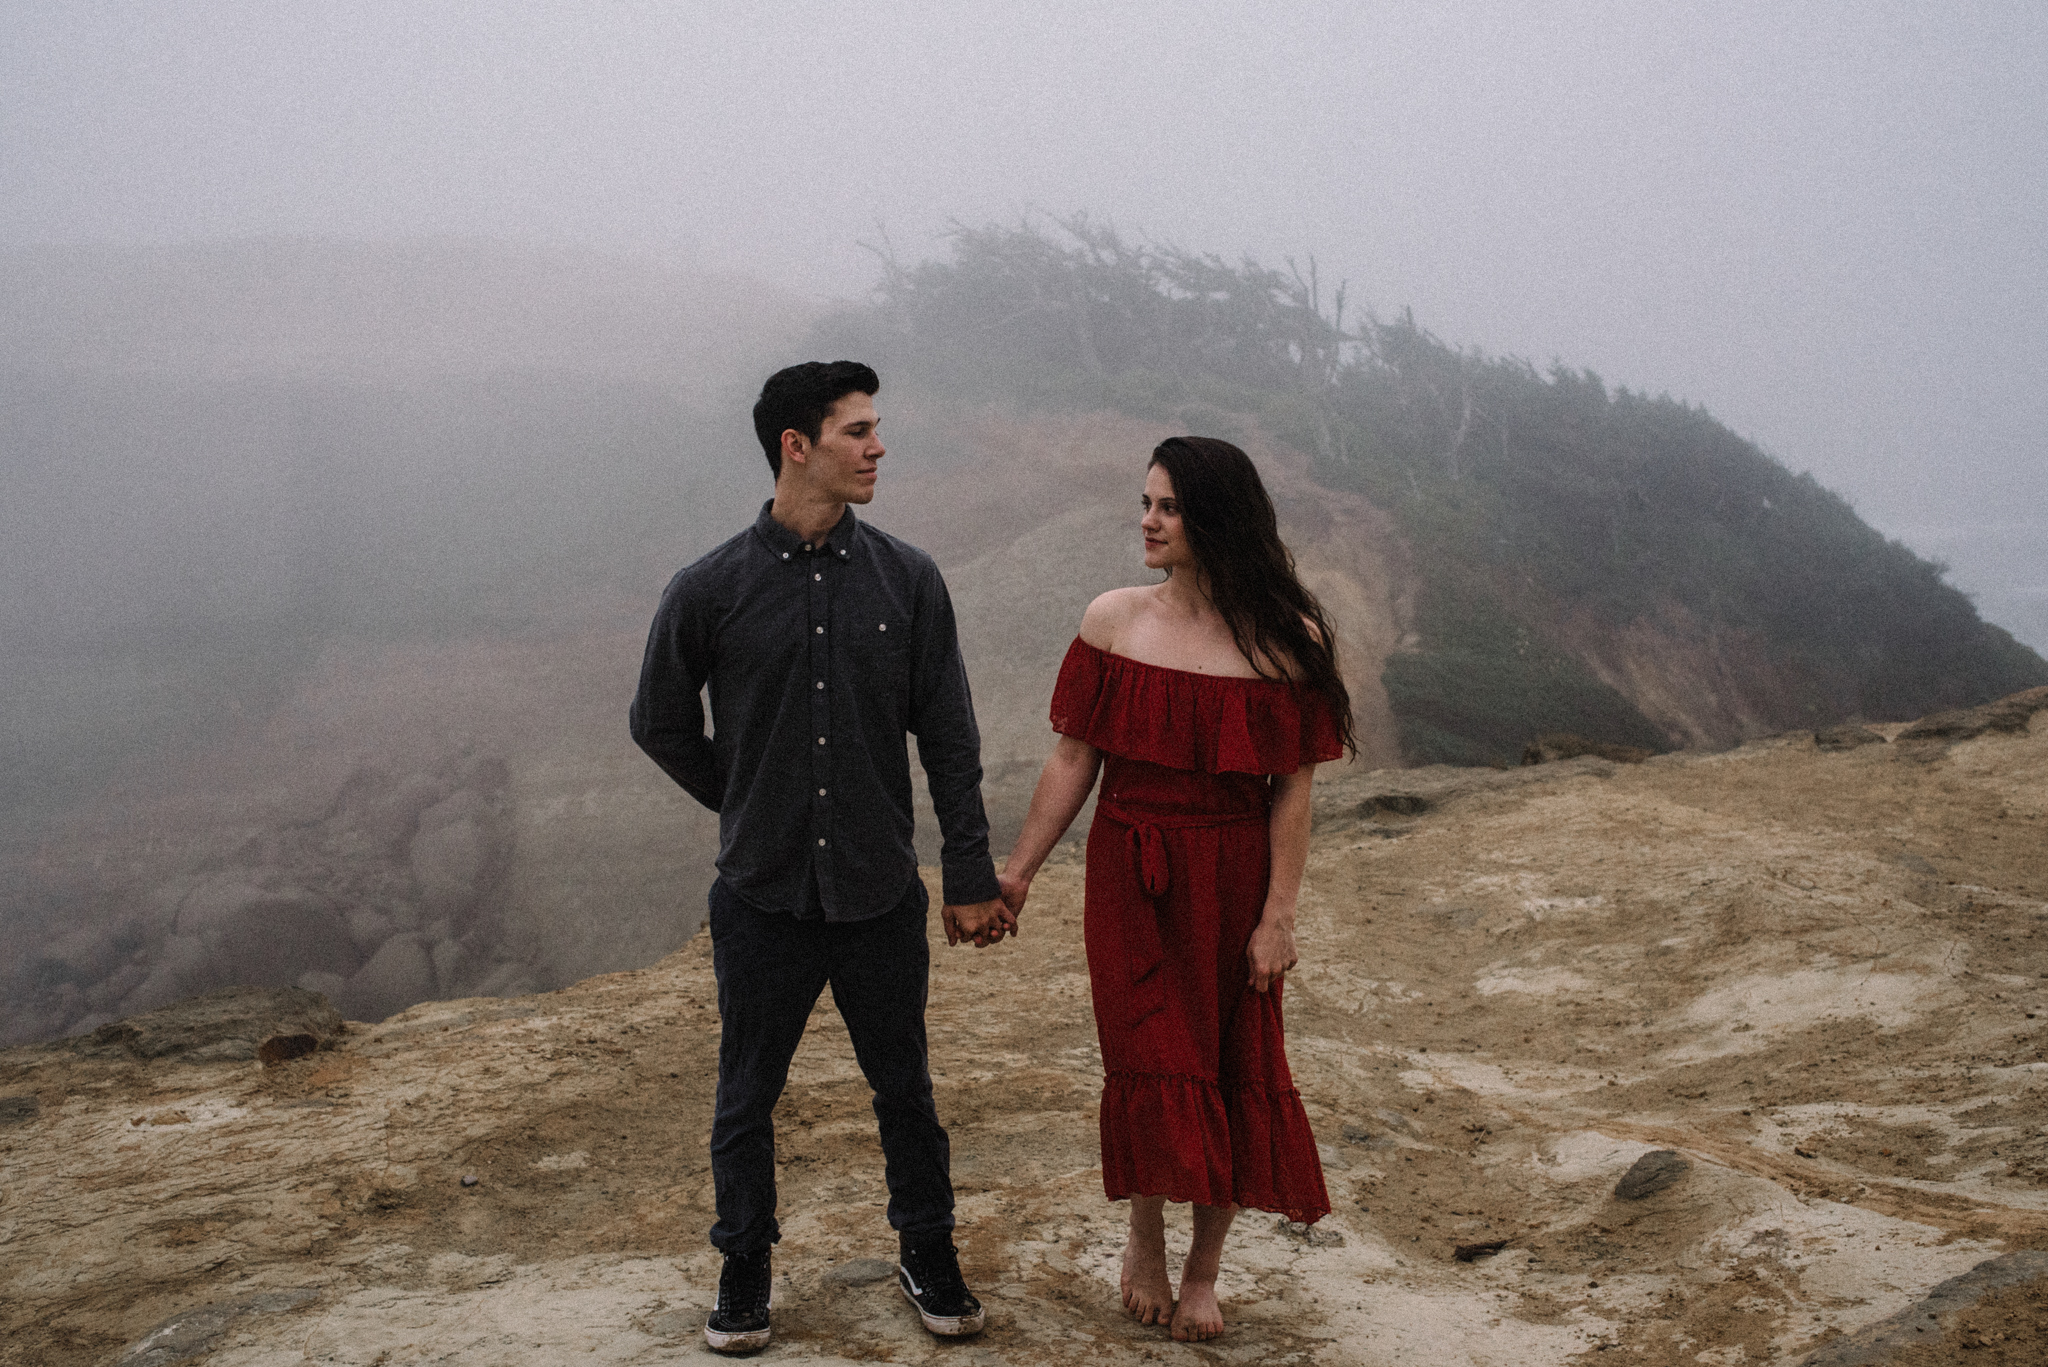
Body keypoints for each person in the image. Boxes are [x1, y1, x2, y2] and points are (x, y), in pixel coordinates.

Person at [630, 360, 1011, 1354]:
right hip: (760, 896)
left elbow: (952, 737)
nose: (878, 446)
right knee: (746, 1093)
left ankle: (926, 1249)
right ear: (796, 446)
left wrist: (969, 875)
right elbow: (657, 721)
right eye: (857, 430)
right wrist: (751, 800)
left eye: (876, 428)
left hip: (880, 891)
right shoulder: (708, 587)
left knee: (905, 1091)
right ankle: (743, 1264)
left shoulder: (908, 579)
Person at [996, 436, 1351, 1343]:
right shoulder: (1113, 620)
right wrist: (1019, 871)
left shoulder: (1287, 642)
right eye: (1145, 502)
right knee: (1150, 1058)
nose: (1147, 521)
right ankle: (1146, 1235)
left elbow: (1293, 790)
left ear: (1214, 519)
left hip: (1232, 877)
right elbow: (1076, 755)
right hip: (1129, 873)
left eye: (1168, 507)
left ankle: (1203, 1272)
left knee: (1234, 1064)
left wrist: (1279, 916)